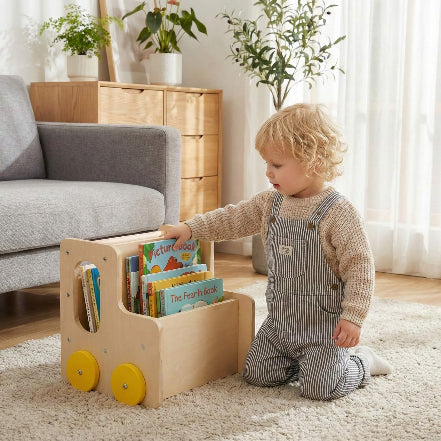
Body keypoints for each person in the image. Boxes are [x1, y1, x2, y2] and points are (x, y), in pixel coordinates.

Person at [164, 103, 393, 400]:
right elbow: (232, 219)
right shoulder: (269, 203)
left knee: (321, 389)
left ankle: (361, 363)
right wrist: (192, 228)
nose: (268, 172)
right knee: (257, 374)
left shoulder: (339, 212)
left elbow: (361, 267)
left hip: (324, 330)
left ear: (311, 161)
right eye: (266, 164)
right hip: (280, 323)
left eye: (277, 165)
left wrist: (354, 317)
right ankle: (308, 364)